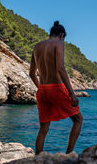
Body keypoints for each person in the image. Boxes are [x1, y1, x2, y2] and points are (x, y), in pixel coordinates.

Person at [29, 21, 83, 155]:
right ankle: (69, 154)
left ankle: (38, 157)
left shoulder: (37, 47)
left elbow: (31, 73)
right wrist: (72, 94)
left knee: (43, 128)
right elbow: (60, 68)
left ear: (51, 33)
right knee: (78, 120)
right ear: (62, 35)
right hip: (57, 88)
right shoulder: (59, 43)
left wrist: (40, 88)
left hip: (43, 90)